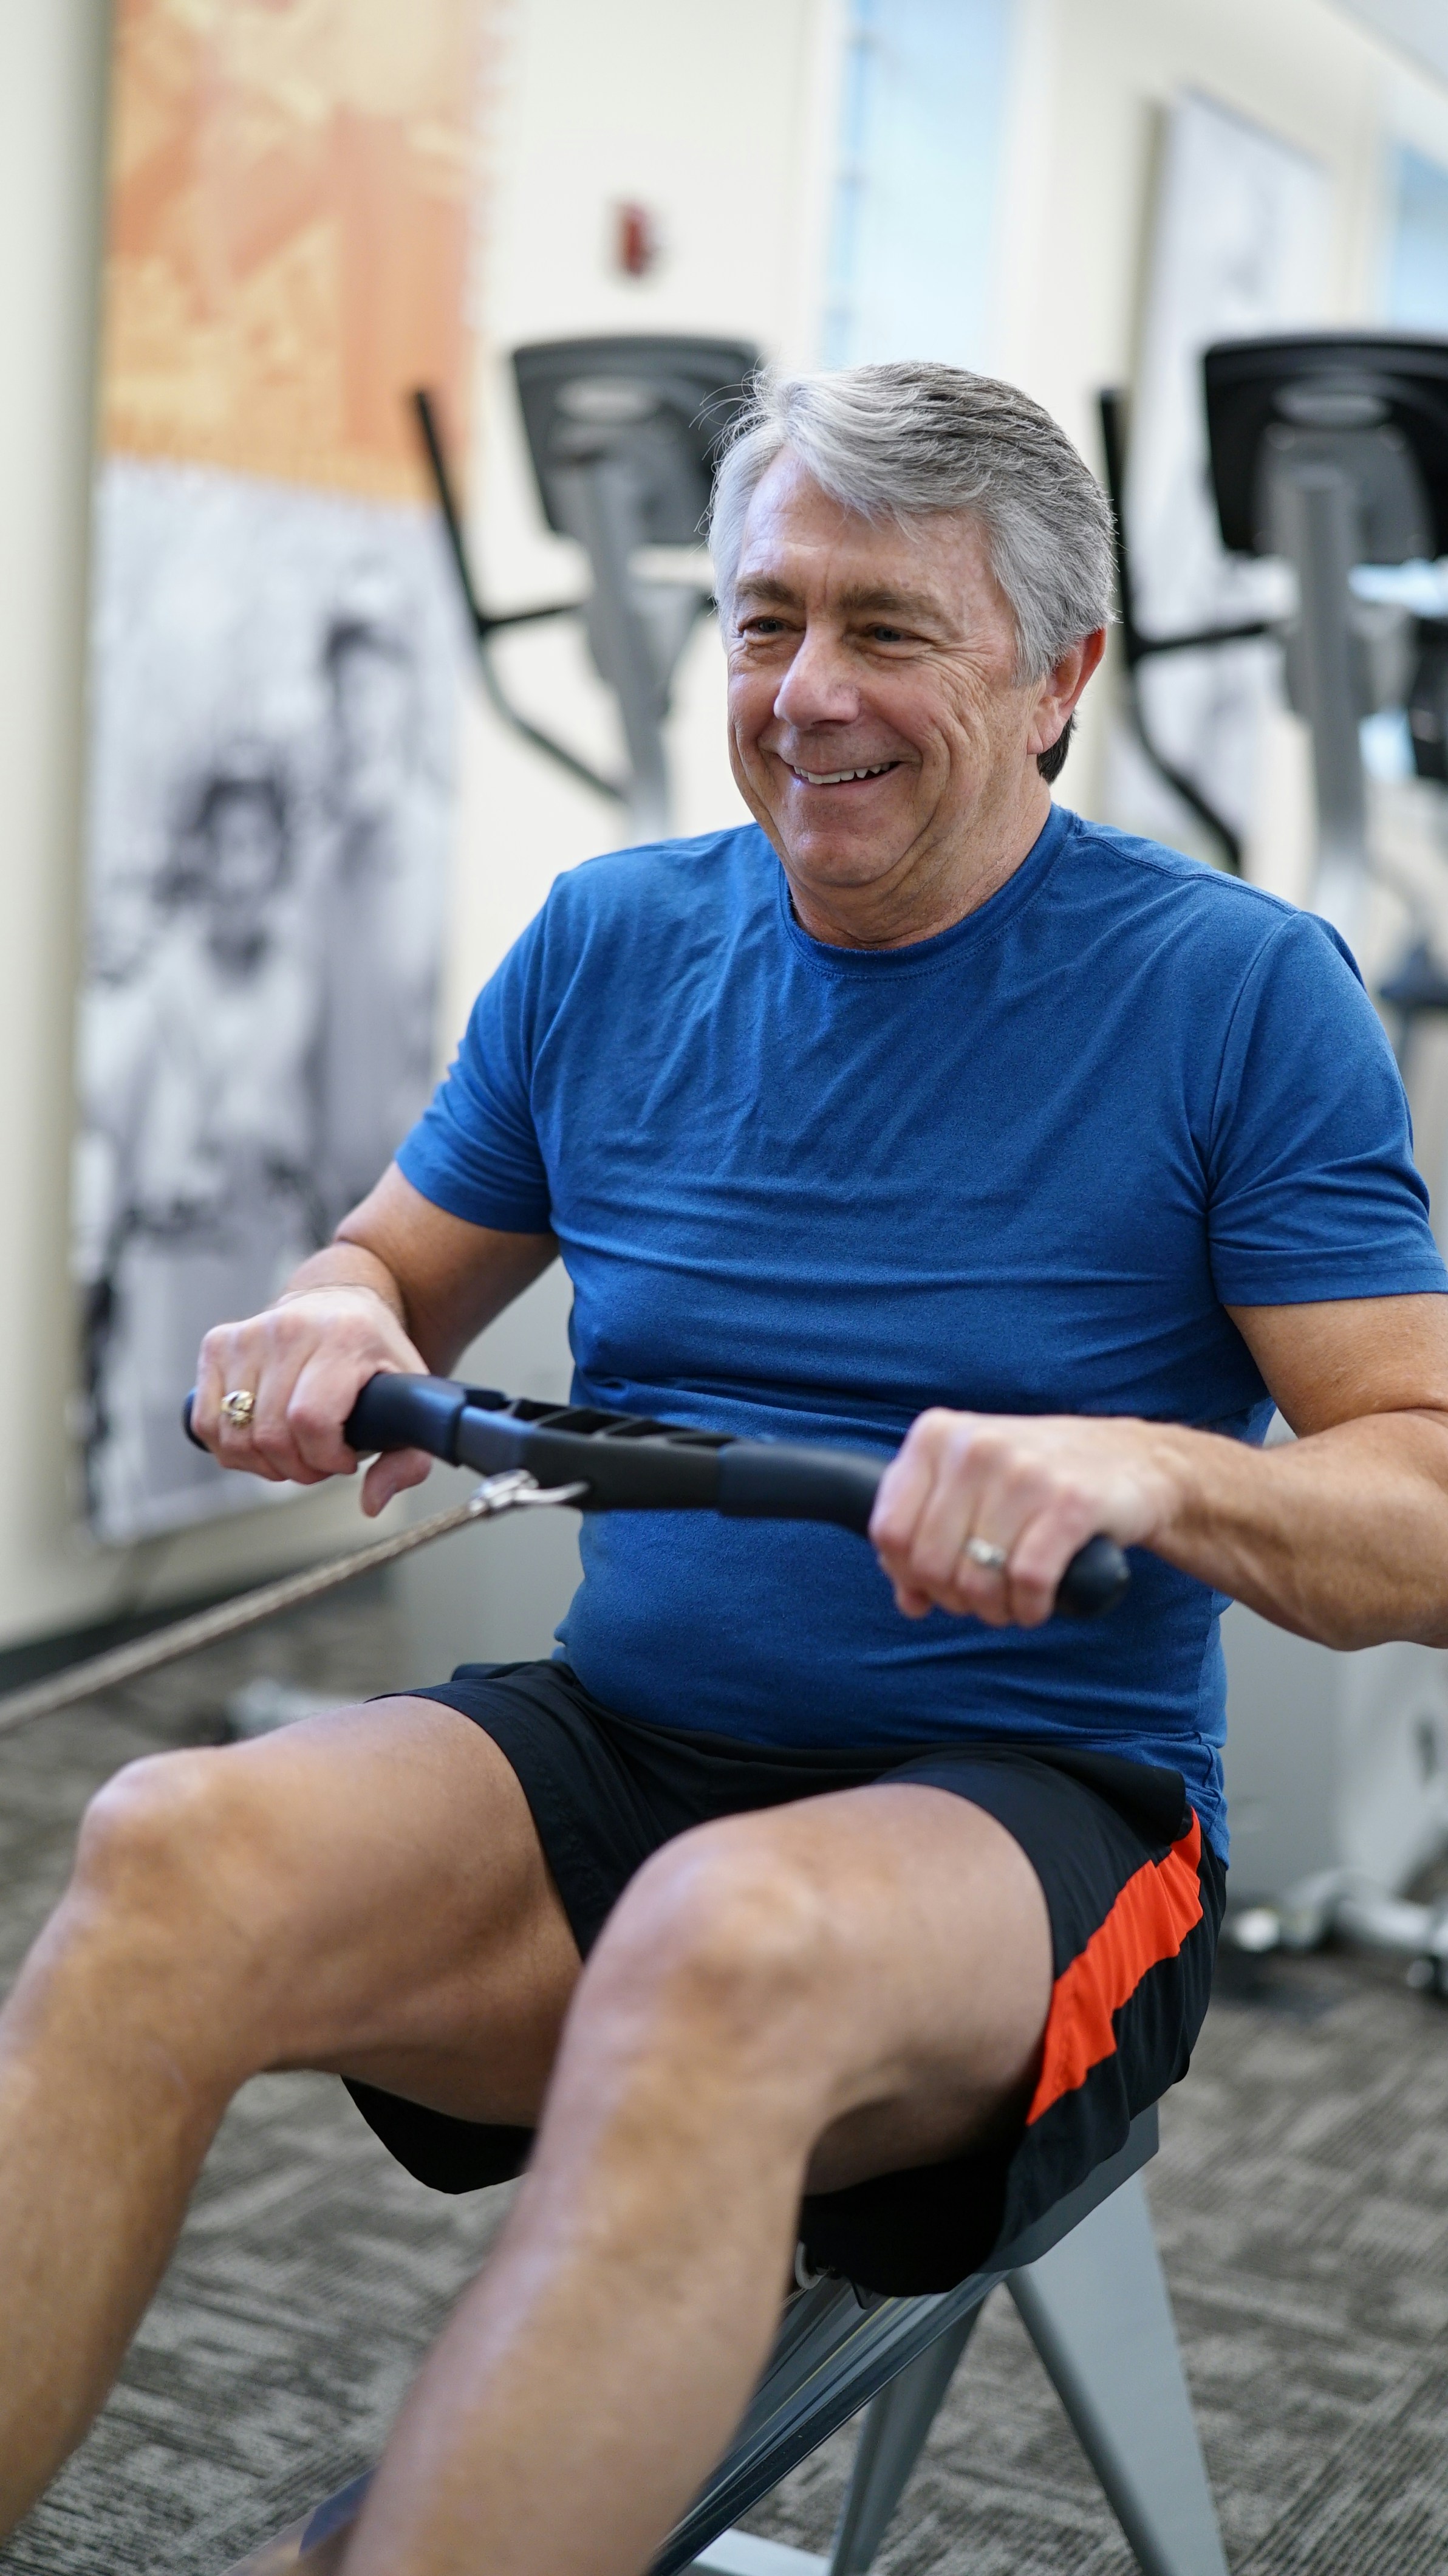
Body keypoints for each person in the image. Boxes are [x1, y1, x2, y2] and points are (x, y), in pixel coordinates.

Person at [6, 361, 1448, 2575]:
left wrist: (1151, 1474)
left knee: (724, 1934)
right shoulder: (614, 940)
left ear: (1057, 676)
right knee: (167, 1840)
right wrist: (332, 1318)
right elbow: (391, 1258)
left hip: (1044, 1821)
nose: (801, 692)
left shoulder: (1236, 992)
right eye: (765, 619)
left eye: (885, 629)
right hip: (632, 1747)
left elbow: (1421, 1505)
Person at [75, 740, 316, 1537]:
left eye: (257, 847)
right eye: (225, 847)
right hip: (164, 1280)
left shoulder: (295, 988)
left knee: (241, 1469)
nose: (241, 870)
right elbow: (105, 1129)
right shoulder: (154, 984)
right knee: (159, 1467)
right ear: (201, 856)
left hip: (248, 1274)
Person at [307, 575, 449, 1240]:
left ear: (405, 696)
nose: (355, 710)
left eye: (371, 687)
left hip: (421, 1216)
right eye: (342, 688)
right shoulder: (321, 862)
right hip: (321, 1211)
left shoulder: (445, 849)